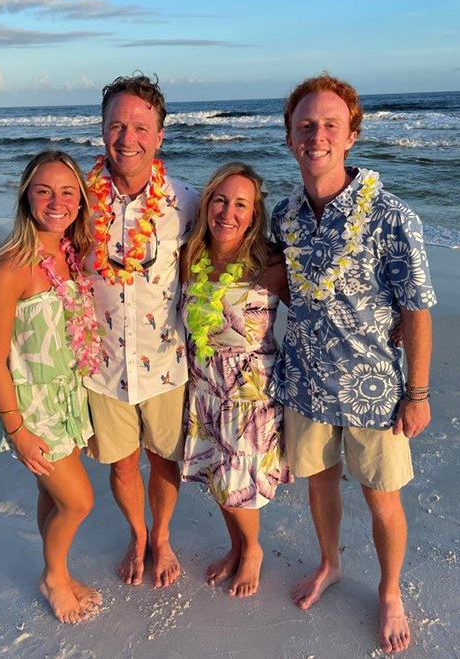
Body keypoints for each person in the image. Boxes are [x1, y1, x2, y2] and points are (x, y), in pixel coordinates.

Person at [270, 74, 436, 653]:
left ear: (352, 136)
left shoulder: (391, 216)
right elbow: (295, 288)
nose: (317, 136)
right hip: (307, 383)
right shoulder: (284, 217)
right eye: (306, 126)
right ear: (290, 138)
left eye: (330, 126)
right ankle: (330, 563)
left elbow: (416, 309)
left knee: (381, 496)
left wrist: (417, 392)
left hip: (374, 390)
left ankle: (390, 591)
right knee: (319, 484)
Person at [84, 73, 199, 589]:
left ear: (159, 136)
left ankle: (164, 536)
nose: (127, 138)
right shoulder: (79, 202)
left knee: (163, 459)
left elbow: (234, 253)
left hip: (167, 362)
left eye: (139, 127)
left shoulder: (188, 202)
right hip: (102, 365)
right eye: (116, 125)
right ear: (102, 129)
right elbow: (39, 247)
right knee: (124, 464)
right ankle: (137, 535)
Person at [0, 150, 102, 624]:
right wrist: (17, 429)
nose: (57, 201)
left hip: (67, 400)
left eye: (68, 191)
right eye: (44, 190)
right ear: (26, 196)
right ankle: (53, 578)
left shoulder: (70, 254)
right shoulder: (9, 267)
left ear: (80, 201)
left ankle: (60, 570)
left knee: (53, 497)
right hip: (32, 407)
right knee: (79, 501)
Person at [180, 162, 293, 598]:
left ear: (253, 214)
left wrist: (392, 321)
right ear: (207, 203)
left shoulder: (271, 263)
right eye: (220, 200)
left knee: (237, 485)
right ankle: (236, 546)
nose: (228, 212)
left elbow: (319, 306)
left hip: (250, 393)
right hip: (204, 387)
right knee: (217, 477)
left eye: (240, 204)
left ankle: (252, 552)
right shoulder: (190, 257)